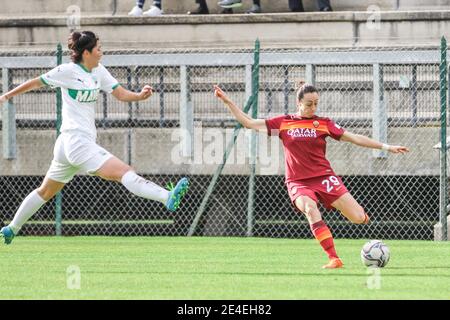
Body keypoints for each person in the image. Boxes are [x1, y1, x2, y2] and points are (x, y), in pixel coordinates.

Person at [0, 31, 189, 245]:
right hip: (76, 142)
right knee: (124, 172)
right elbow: (36, 82)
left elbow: (119, 93)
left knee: (45, 191)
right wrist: (6, 96)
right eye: (98, 48)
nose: (101, 52)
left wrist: (139, 95)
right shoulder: (68, 71)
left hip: (68, 145)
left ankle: (11, 228)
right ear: (86, 52)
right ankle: (166, 196)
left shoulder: (98, 71)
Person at [213, 82, 409, 269]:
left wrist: (386, 146)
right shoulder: (284, 123)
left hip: (324, 178)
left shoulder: (323, 124)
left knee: (358, 217)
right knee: (310, 208)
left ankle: (339, 206)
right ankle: (334, 258)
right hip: (298, 182)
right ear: (299, 103)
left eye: (316, 103)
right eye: (309, 104)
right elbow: (248, 122)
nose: (313, 107)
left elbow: (354, 138)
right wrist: (227, 101)